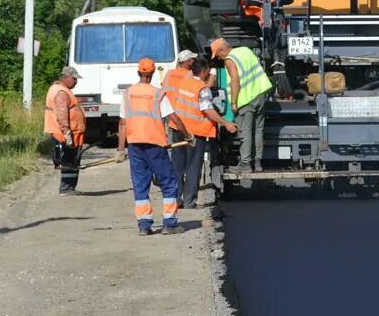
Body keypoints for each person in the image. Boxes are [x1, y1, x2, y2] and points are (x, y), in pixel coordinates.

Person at [160, 57, 238, 208]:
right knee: (193, 166)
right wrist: (226, 123)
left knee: (178, 165)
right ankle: (189, 201)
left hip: (178, 129)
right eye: (208, 72)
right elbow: (208, 110)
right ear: (203, 72)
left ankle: (176, 199)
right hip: (196, 133)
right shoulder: (202, 89)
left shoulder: (184, 82)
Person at [116, 58, 181, 236]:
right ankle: (169, 223)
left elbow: (123, 123)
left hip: (135, 145)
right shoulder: (158, 93)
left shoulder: (128, 93)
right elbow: (172, 117)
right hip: (155, 144)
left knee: (140, 184)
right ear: (152, 74)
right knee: (168, 182)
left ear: (138, 72)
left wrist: (121, 150)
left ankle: (144, 225)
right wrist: (188, 134)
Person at [211, 38, 273, 173]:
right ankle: (257, 163)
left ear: (222, 50)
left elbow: (235, 81)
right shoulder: (246, 50)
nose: (219, 58)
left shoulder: (229, 60)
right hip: (260, 96)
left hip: (245, 101)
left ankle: (245, 164)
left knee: (246, 132)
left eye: (217, 55)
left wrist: (233, 102)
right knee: (258, 131)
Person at [44, 66, 86, 194]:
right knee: (69, 161)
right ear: (66, 77)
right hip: (66, 133)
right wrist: (67, 133)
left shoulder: (60, 89)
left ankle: (68, 188)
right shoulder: (61, 92)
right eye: (74, 79)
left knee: (70, 161)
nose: (76, 82)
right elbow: (62, 115)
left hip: (68, 132)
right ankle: (66, 188)